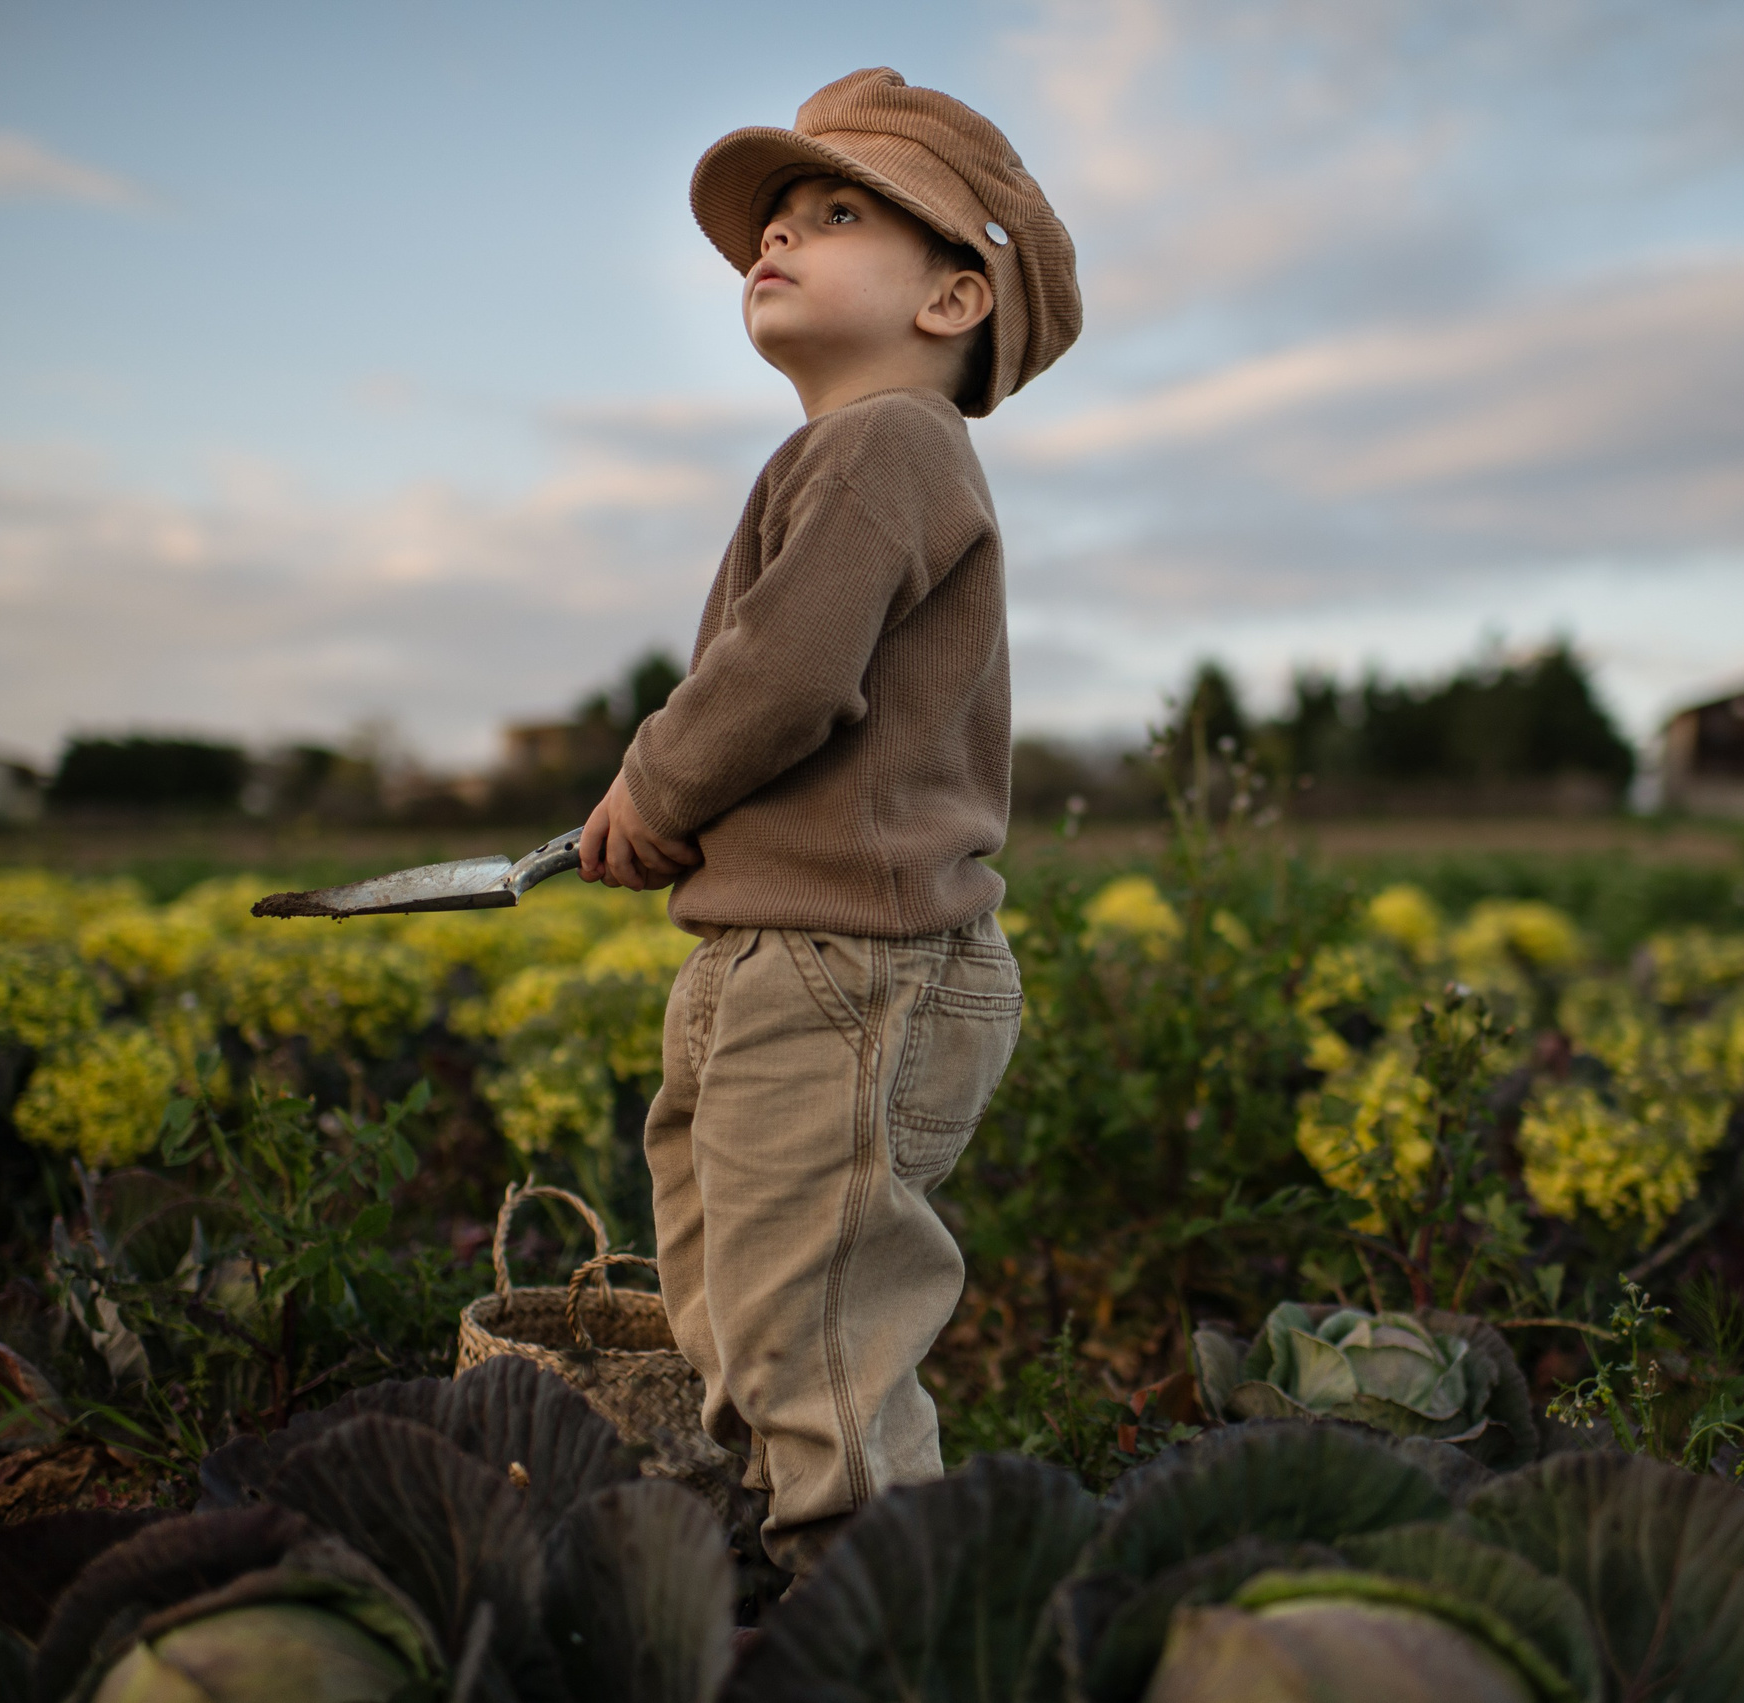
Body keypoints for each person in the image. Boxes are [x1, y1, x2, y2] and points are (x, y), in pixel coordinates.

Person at [573, 67, 1081, 1580]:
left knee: (810, 1310)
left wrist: (654, 786)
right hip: (776, 952)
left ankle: (872, 1597)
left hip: (845, 964)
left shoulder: (892, 443)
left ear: (951, 298)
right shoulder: (842, 454)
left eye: (837, 213)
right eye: (774, 219)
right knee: (730, 1289)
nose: (777, 237)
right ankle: (783, 1538)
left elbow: (786, 675)